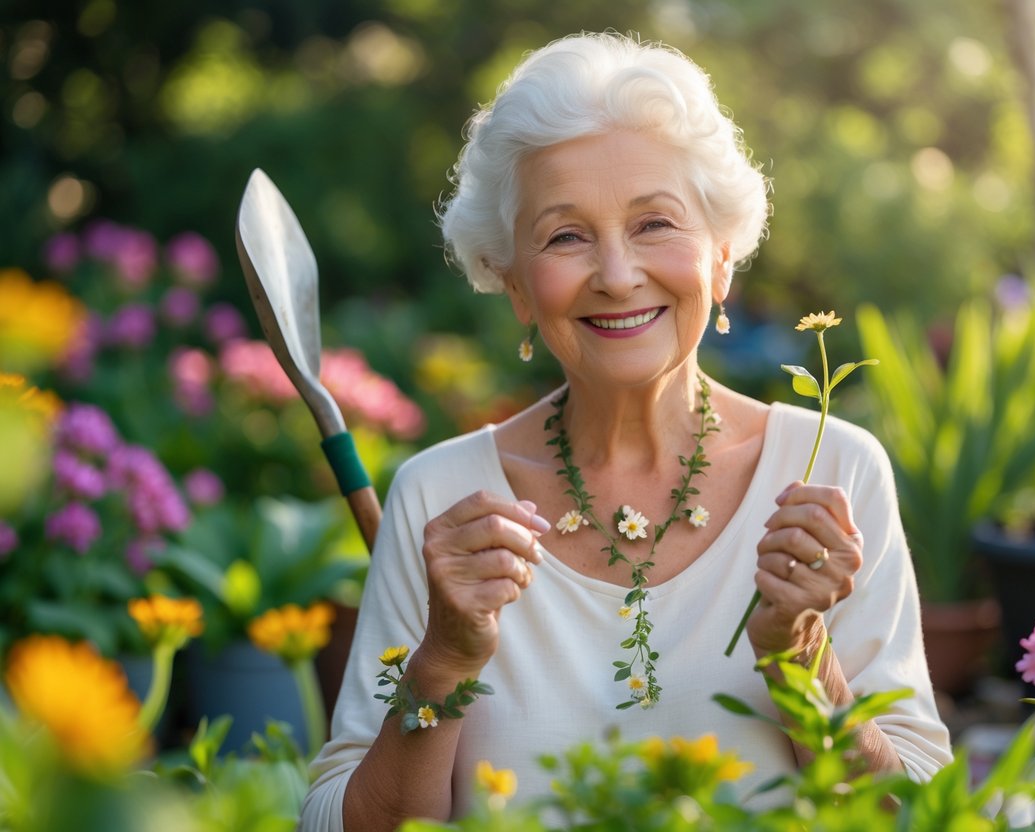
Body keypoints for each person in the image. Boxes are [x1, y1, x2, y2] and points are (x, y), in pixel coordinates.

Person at [301, 31, 951, 830]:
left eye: (654, 225)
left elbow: (917, 813)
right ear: (513, 284)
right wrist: (442, 662)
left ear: (720, 261)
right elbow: (336, 823)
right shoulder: (440, 501)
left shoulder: (831, 474)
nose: (615, 274)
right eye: (565, 236)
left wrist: (798, 655)